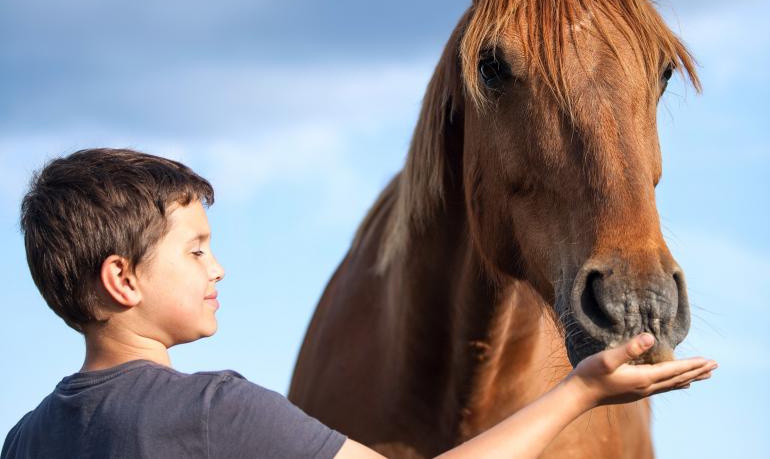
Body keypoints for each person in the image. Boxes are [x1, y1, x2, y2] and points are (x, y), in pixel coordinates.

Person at [2, 148, 717, 459]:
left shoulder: (27, 438)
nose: (217, 266)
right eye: (193, 249)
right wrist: (580, 390)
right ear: (123, 279)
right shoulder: (214, 410)